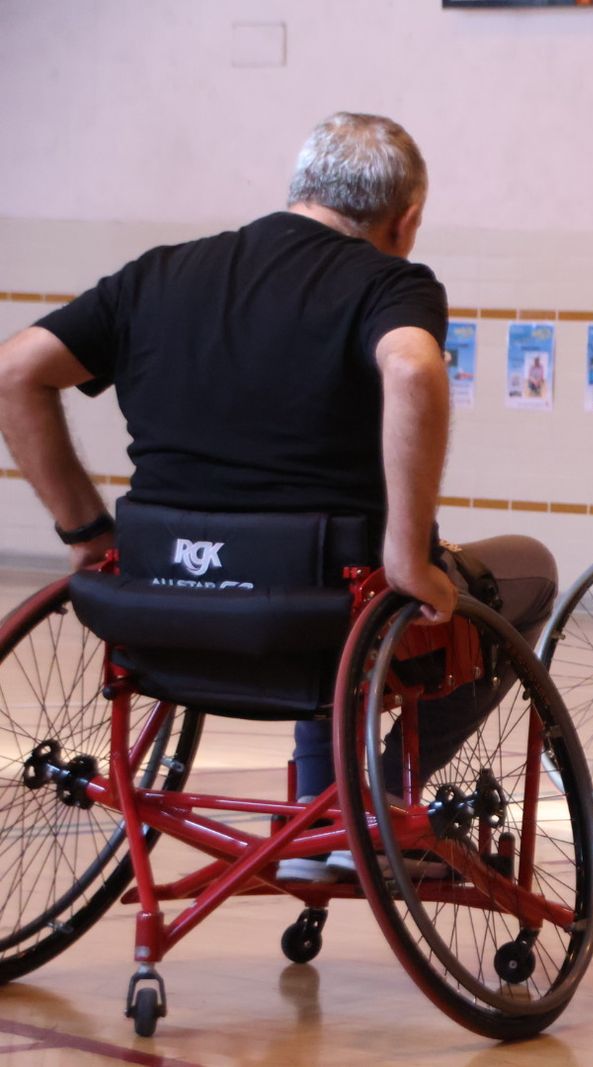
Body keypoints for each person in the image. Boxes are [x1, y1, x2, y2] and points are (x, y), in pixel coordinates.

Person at [0, 112, 557, 880]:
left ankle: (323, 799)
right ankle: (378, 798)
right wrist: (407, 554)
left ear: (298, 189)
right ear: (407, 219)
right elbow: (414, 371)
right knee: (528, 567)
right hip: (316, 610)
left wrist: (85, 528)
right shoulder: (389, 281)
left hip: (157, 604)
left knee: (334, 591)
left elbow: (14, 370)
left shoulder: (159, 273)